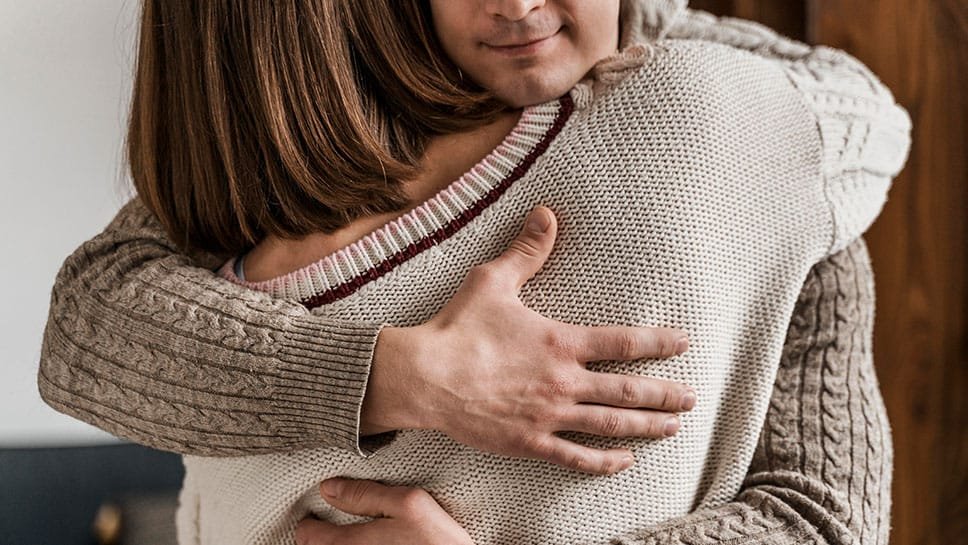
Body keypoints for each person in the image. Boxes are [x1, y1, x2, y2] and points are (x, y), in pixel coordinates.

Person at [37, 1, 911, 544]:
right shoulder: (295, 174)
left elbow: (820, 519)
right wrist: (406, 376)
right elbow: (86, 325)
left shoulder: (774, 160)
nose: (519, 6)